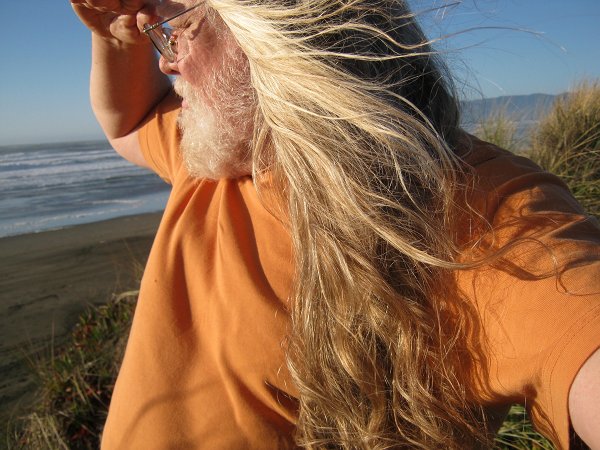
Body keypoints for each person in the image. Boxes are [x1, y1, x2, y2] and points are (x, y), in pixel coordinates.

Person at [70, 0, 600, 448]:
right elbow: (128, 122)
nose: (166, 62)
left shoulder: (467, 207)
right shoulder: (214, 146)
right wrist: (115, 38)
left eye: (178, 28)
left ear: (277, 29)